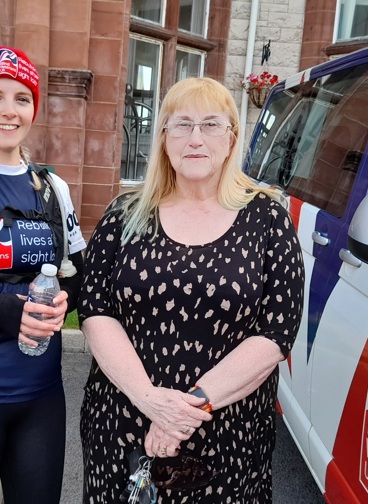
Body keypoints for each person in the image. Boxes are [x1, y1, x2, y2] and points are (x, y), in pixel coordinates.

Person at [78, 76, 305, 504]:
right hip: (126, 422)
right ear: (163, 137)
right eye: (181, 124)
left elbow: (277, 331)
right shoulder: (125, 213)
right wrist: (150, 401)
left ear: (232, 137)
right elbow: (95, 310)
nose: (195, 138)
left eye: (210, 124)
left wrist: (186, 410)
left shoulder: (269, 218)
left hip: (228, 431)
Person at [0, 46, 86, 504]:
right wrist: (10, 314)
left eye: (21, 98)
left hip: (41, 397)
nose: (8, 111)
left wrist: (64, 297)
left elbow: (76, 271)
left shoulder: (53, 188)